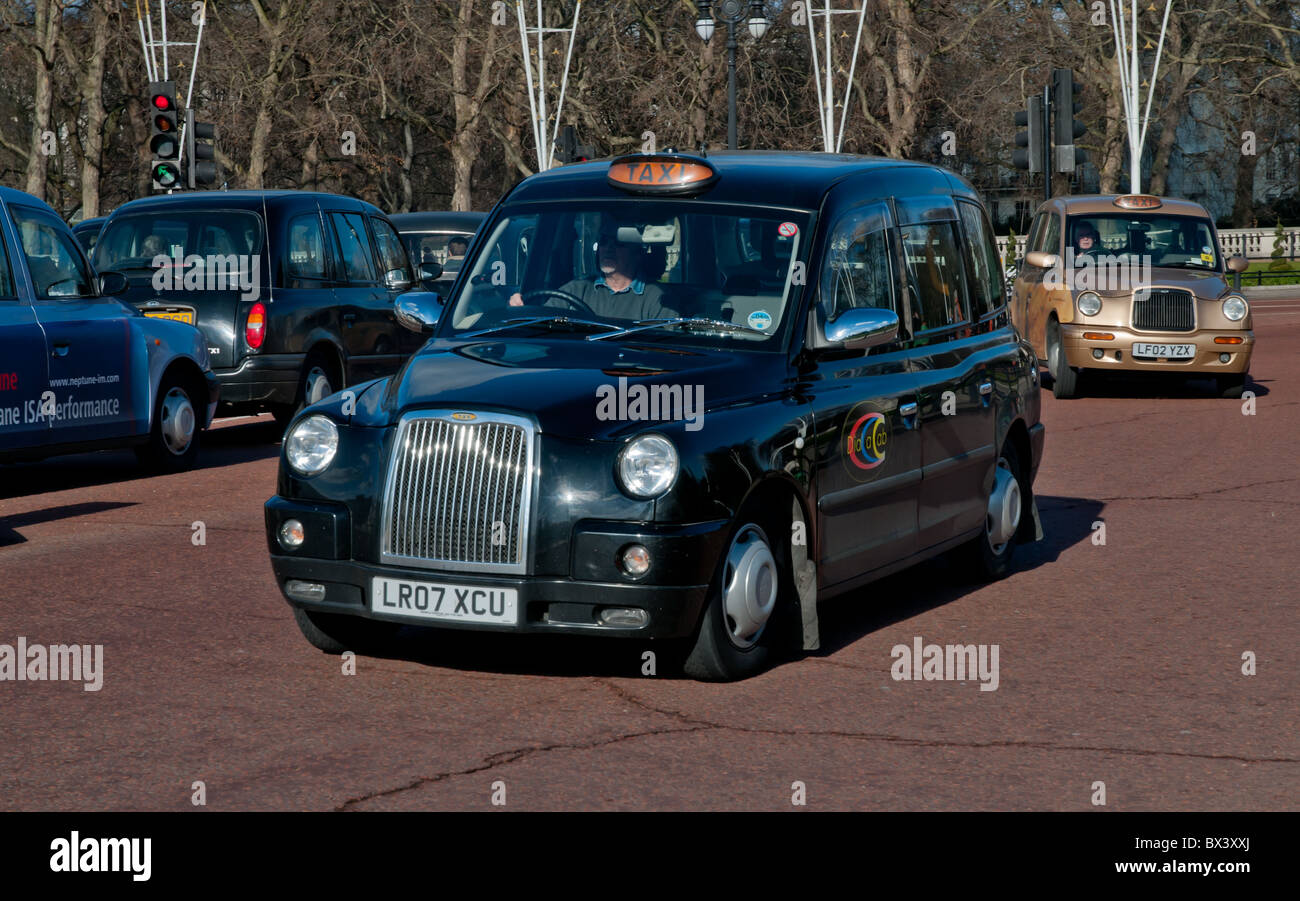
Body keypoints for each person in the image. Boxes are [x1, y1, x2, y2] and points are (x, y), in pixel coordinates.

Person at [509, 220, 675, 321]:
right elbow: (541, 322)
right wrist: (521, 309)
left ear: (637, 253)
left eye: (618, 243)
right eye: (603, 242)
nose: (608, 249)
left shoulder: (657, 298)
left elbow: (665, 347)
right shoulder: (575, 290)